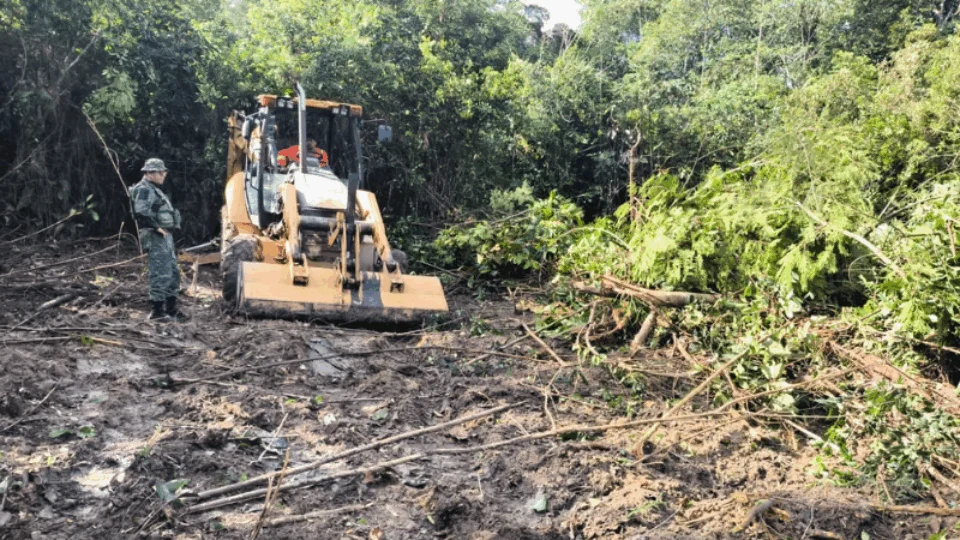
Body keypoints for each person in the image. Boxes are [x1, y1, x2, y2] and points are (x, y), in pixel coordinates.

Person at [130, 158, 186, 322]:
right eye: (161, 172)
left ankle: (171, 308)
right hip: (156, 236)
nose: (164, 175)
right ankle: (157, 312)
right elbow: (140, 212)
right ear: (150, 173)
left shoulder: (153, 189)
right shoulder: (144, 189)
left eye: (164, 172)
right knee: (160, 271)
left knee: (172, 272)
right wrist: (157, 228)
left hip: (164, 236)